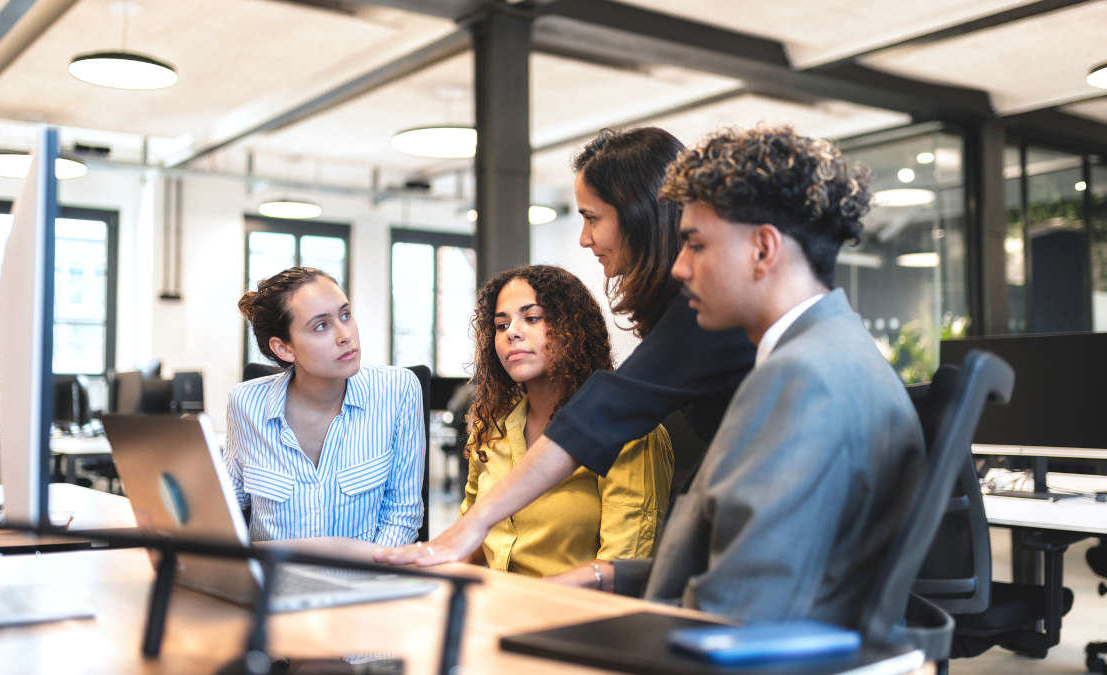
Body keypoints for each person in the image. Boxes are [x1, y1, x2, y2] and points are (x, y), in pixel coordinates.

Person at [376, 127, 755, 572]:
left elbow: (603, 413)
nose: (583, 238)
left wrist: (475, 526)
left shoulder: (701, 317)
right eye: (501, 324)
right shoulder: (495, 425)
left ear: (638, 215)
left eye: (592, 217)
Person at [609, 125, 924, 626]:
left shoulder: (800, 378)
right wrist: (608, 578)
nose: (679, 268)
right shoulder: (840, 351)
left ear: (762, 249)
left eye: (695, 245)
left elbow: (734, 607)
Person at [462, 264, 672, 584]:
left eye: (532, 318)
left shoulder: (627, 432)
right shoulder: (491, 429)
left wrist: (529, 599)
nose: (511, 333)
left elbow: (624, 566)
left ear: (572, 328)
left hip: (578, 618)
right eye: (501, 325)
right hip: (494, 607)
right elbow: (468, 541)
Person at [227, 266, 423, 560]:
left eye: (345, 315)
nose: (345, 335)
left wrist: (369, 581)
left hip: (363, 585)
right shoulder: (245, 403)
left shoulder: (398, 391)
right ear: (284, 348)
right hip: (272, 587)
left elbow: (402, 514)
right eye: (321, 326)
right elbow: (228, 501)